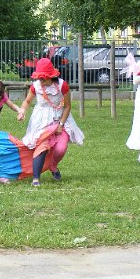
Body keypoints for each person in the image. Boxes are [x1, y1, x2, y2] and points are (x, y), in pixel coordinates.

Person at [19, 58, 84, 186]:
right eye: (39, 78)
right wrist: (22, 111)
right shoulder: (36, 86)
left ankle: (53, 165)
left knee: (61, 149)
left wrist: (61, 124)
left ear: (50, 76)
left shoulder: (62, 85)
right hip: (41, 120)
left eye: (43, 79)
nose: (40, 82)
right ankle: (36, 178)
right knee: (41, 146)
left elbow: (67, 106)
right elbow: (27, 101)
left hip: (60, 118)